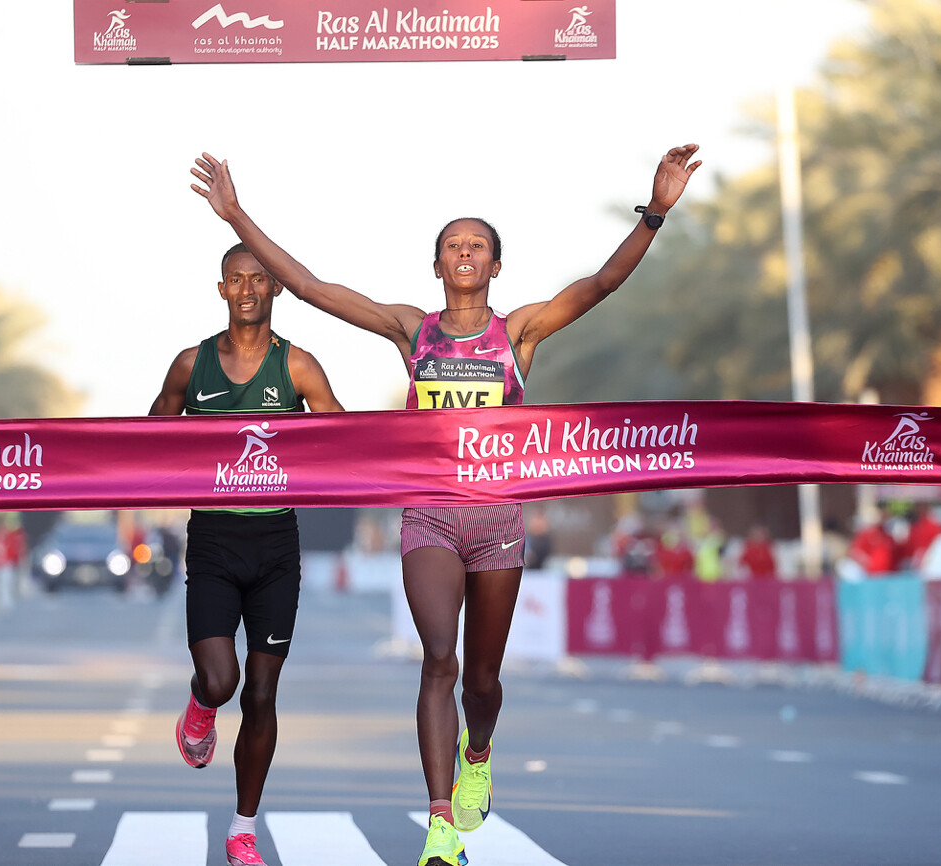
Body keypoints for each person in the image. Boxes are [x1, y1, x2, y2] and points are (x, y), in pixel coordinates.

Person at [190, 144, 701, 866]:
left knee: (482, 681)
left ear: (496, 265)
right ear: (436, 266)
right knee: (439, 660)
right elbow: (307, 287)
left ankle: (479, 751)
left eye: (477, 245)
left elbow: (600, 285)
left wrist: (654, 213)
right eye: (453, 245)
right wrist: (236, 214)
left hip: (498, 521)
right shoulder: (413, 330)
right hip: (429, 514)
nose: (465, 252)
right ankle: (439, 824)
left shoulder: (518, 332)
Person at [149, 242, 343, 866]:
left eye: (260, 279)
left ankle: (242, 829)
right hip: (213, 541)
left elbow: (344, 440)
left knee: (260, 694)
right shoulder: (192, 364)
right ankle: (201, 705)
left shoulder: (298, 366)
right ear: (222, 289)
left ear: (275, 288)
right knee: (221, 680)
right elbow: (148, 438)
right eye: (237, 279)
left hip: (276, 546)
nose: (249, 289)